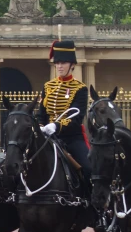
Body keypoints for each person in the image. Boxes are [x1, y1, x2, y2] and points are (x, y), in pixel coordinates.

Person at [37, 40, 91, 183]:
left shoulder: (80, 88)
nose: (59, 66)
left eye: (63, 63)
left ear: (72, 65)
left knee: (88, 168)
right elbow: (41, 113)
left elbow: (77, 117)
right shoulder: (48, 86)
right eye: (57, 63)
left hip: (71, 137)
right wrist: (41, 126)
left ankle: (91, 202)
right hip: (47, 137)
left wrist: (56, 126)